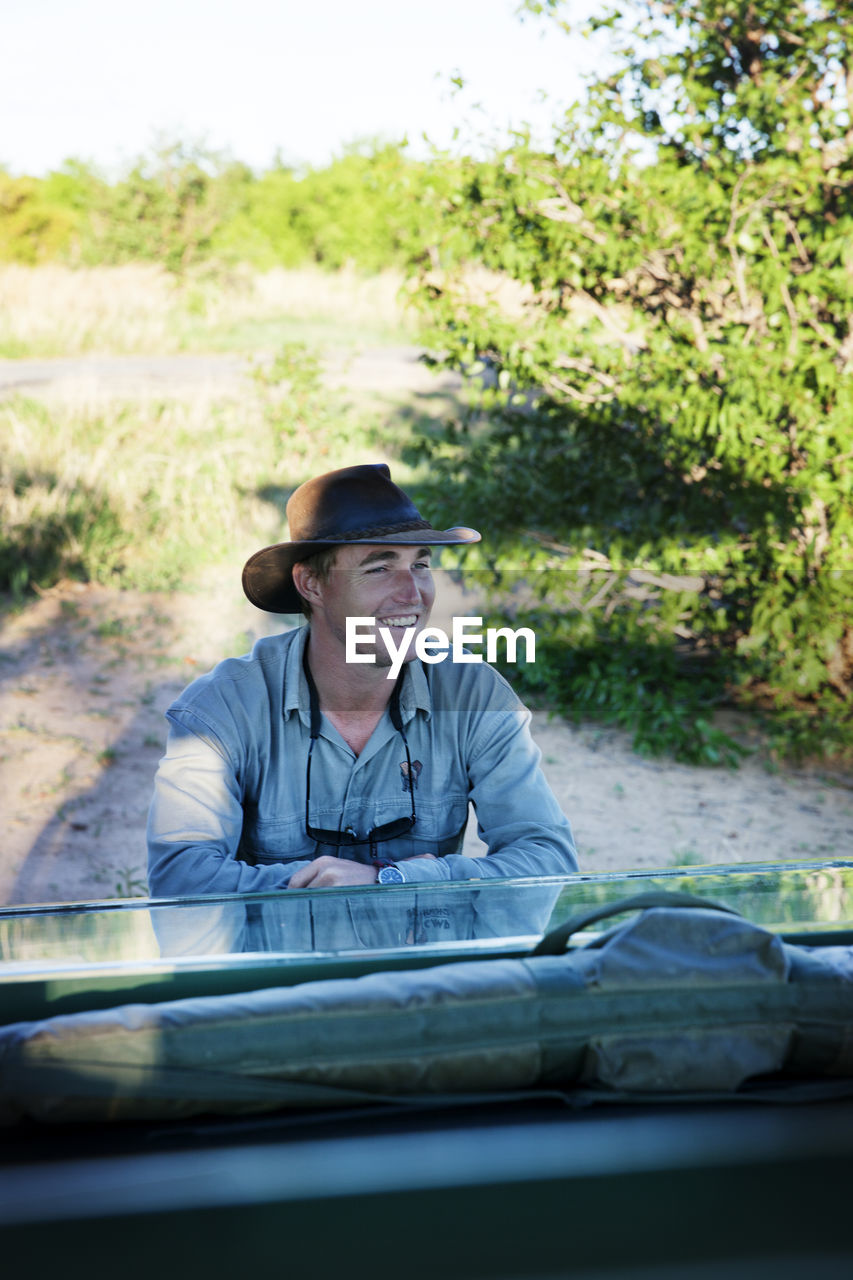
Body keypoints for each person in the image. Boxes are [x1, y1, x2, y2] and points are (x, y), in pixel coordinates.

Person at [146, 463, 577, 951]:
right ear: (311, 584)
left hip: (421, 989)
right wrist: (323, 888)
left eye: (421, 564)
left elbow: (548, 858)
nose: (413, 594)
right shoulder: (222, 709)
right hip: (275, 993)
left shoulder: (473, 695)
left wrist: (386, 881)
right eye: (379, 567)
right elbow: (180, 879)